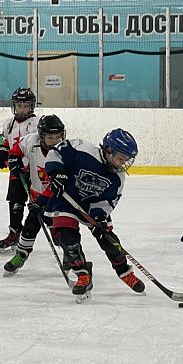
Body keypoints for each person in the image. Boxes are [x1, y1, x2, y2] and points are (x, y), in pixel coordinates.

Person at [44, 128, 145, 300]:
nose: (123, 163)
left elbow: (108, 202)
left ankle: (124, 272)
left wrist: (99, 216)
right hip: (66, 201)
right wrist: (57, 173)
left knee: (110, 242)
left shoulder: (118, 177)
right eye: (121, 158)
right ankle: (83, 275)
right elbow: (56, 153)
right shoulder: (81, 149)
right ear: (109, 150)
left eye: (126, 160)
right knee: (69, 242)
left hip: (91, 206)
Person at [2, 114, 66, 276]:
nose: (55, 141)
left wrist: (43, 200)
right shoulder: (31, 141)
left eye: (58, 137)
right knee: (29, 228)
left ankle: (70, 256)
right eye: (50, 137)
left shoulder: (66, 151)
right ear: (41, 136)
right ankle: (21, 255)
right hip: (37, 196)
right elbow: (16, 150)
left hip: (58, 199)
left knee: (61, 232)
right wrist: (14, 159)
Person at [0, 87, 38, 253]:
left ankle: (58, 232)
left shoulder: (36, 124)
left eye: (25, 106)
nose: (22, 109)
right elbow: (7, 143)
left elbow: (36, 147)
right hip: (15, 170)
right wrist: (1, 153)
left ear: (31, 106)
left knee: (39, 205)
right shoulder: (8, 124)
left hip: (34, 171)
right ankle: (15, 232)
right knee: (15, 202)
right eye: (19, 105)